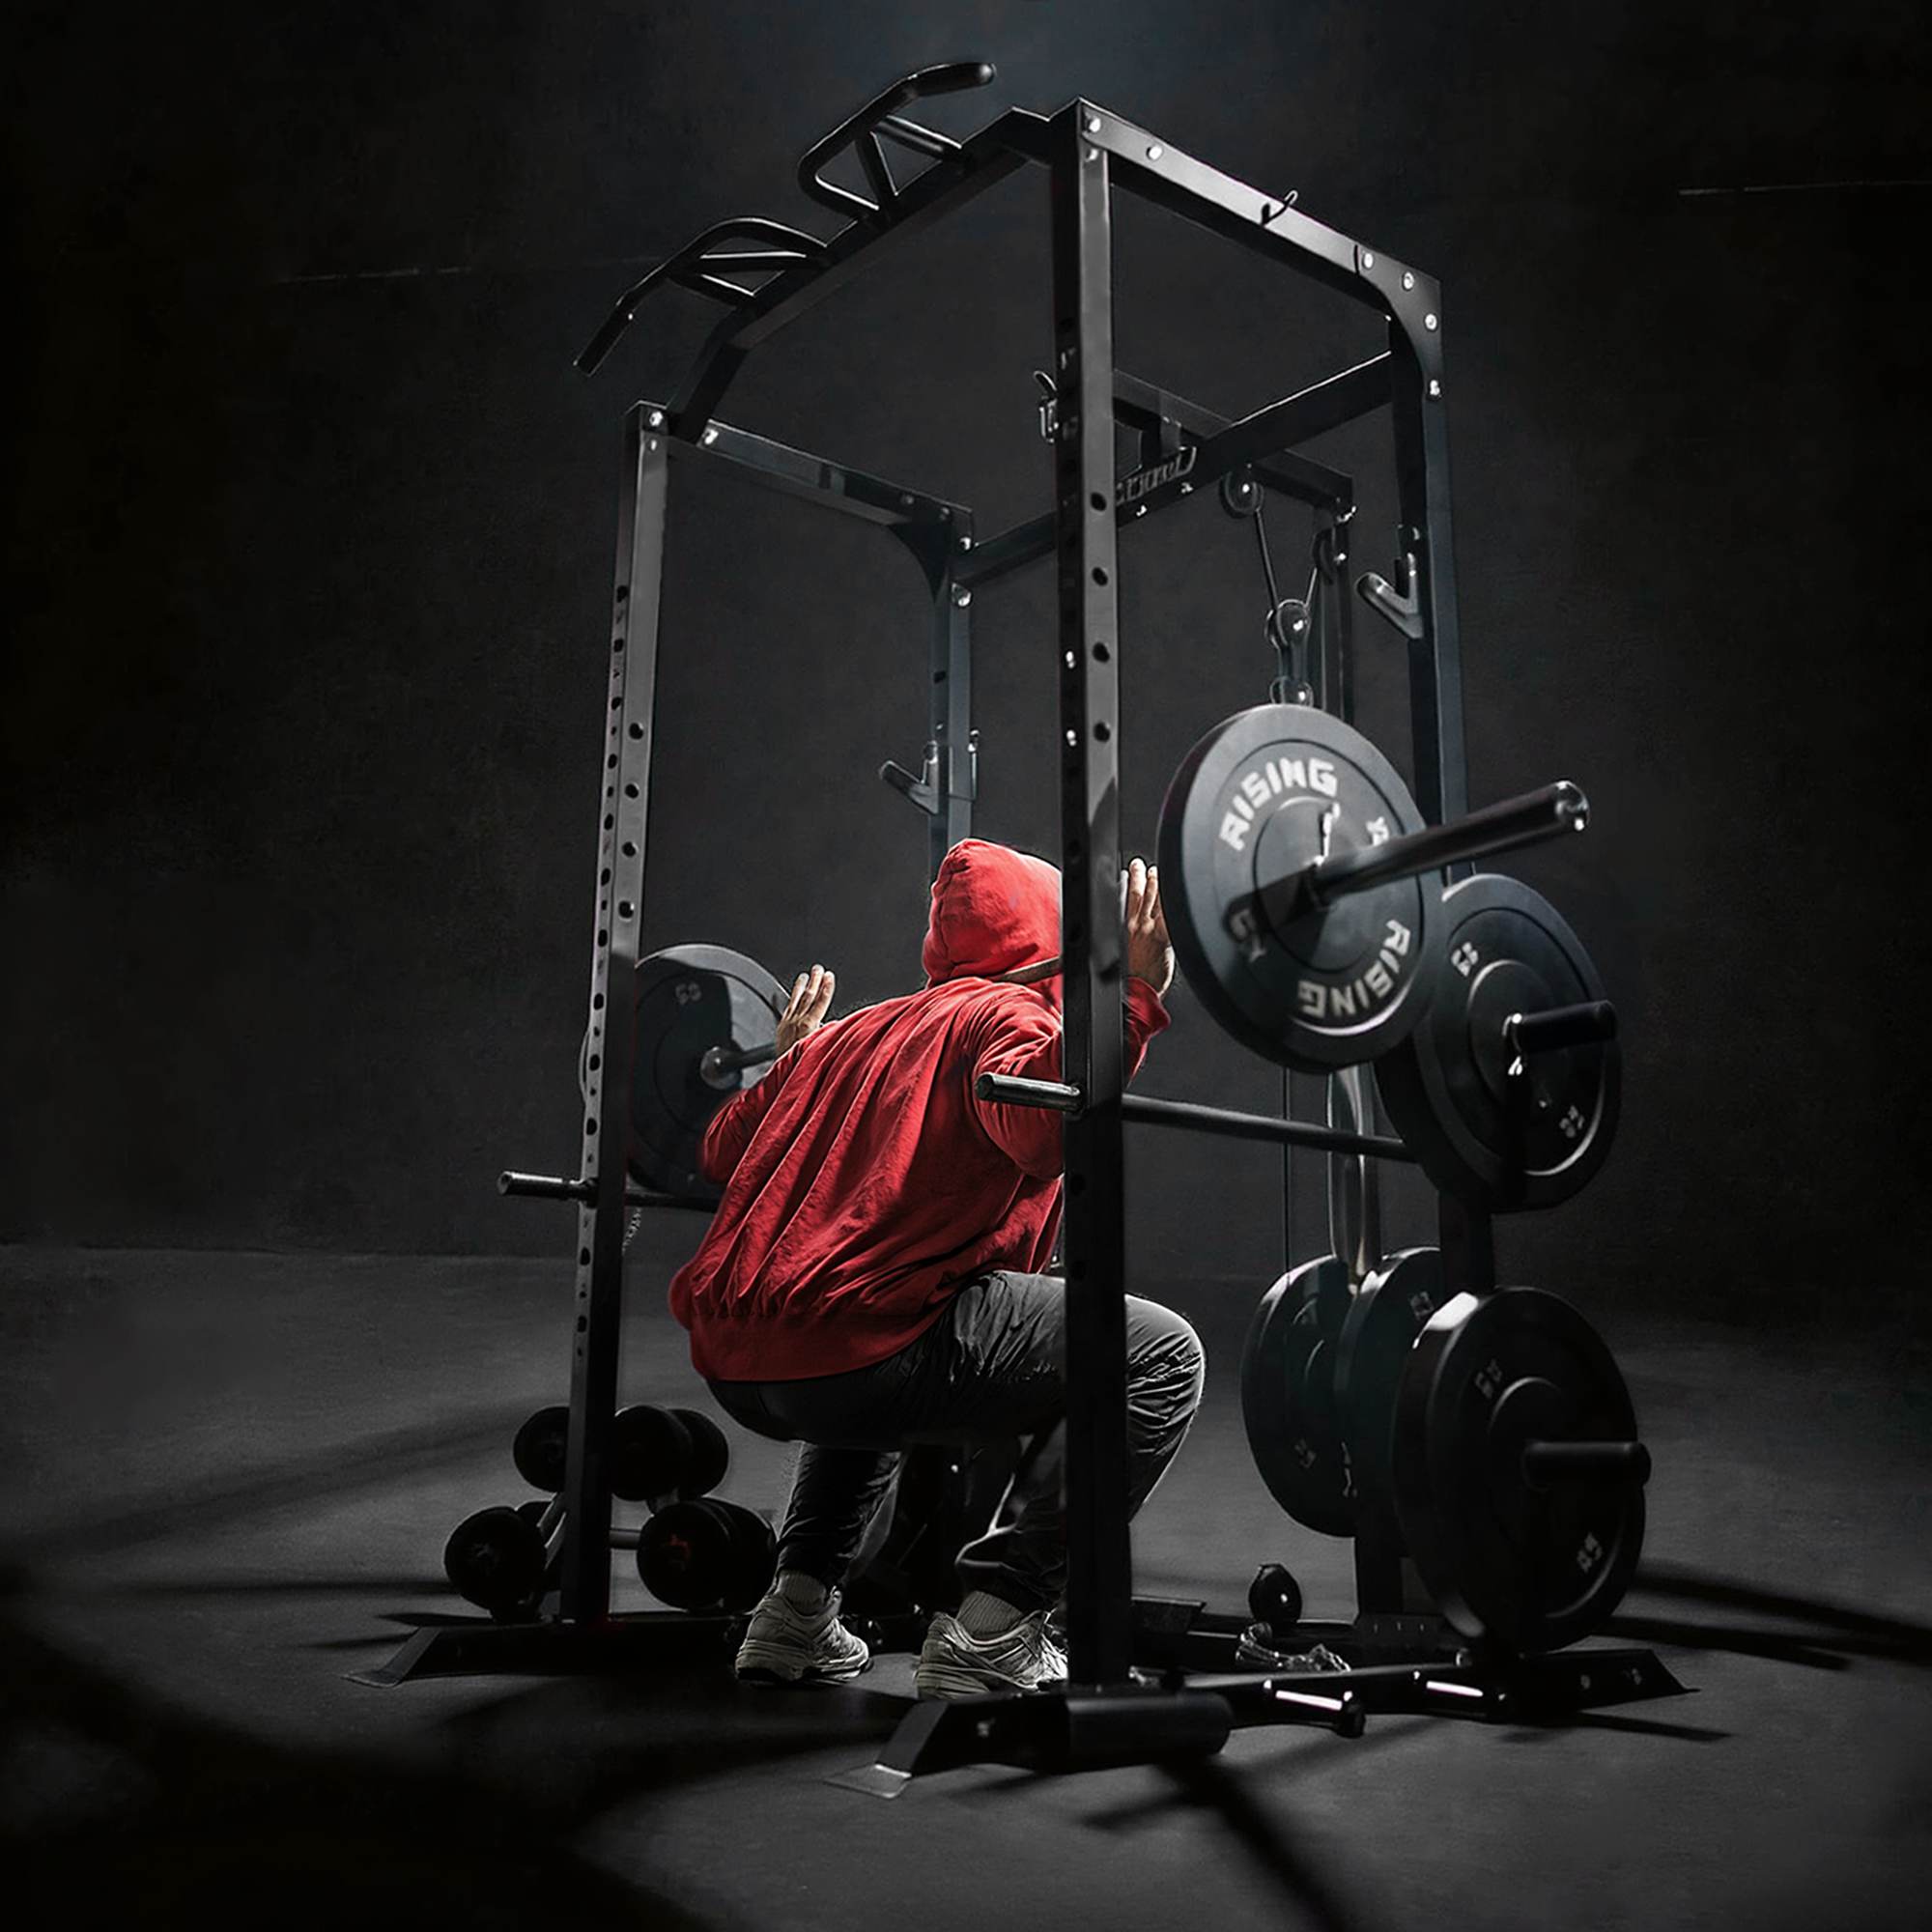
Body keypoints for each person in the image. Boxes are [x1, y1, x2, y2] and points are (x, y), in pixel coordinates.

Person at [667, 839, 1205, 1699]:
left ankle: (794, 1612)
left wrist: (790, 1062)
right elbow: (1044, 1131)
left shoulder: (848, 1036)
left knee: (868, 1327)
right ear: (1050, 940)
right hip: (868, 1349)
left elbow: (723, 1152)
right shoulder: (1007, 1016)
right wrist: (1134, 995)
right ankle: (996, 1626)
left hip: (744, 1366)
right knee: (1162, 1355)